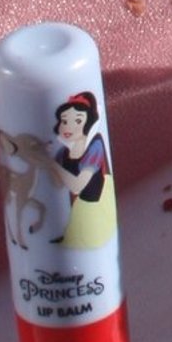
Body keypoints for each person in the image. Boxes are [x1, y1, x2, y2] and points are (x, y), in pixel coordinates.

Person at [45, 91, 116, 250]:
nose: (68, 127)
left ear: (88, 122)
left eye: (77, 120)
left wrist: (50, 164)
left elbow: (77, 186)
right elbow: (56, 183)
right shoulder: (63, 152)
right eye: (64, 121)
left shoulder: (95, 146)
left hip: (96, 206)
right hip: (79, 207)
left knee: (89, 244)